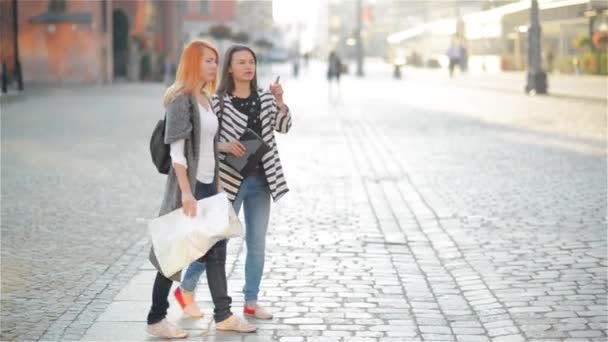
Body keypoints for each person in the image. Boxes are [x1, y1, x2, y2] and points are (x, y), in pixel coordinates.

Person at [146, 39, 256, 339]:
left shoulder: (205, 99)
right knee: (174, 256)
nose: (213, 66)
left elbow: (208, 146)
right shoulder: (182, 100)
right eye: (208, 60)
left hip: (209, 184)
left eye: (215, 61)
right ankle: (156, 318)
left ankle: (223, 315)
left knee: (217, 251)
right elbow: (177, 153)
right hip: (192, 187)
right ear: (194, 63)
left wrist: (218, 188)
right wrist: (186, 193)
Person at [175, 44, 293, 321]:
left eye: (251, 62)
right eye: (240, 62)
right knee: (214, 240)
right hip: (228, 181)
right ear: (229, 67)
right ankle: (185, 289)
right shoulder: (218, 101)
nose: (247, 66)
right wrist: (225, 146)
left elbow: (284, 127)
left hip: (262, 182)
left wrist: (279, 101)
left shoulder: (265, 98)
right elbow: (200, 143)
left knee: (257, 244)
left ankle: (251, 301)